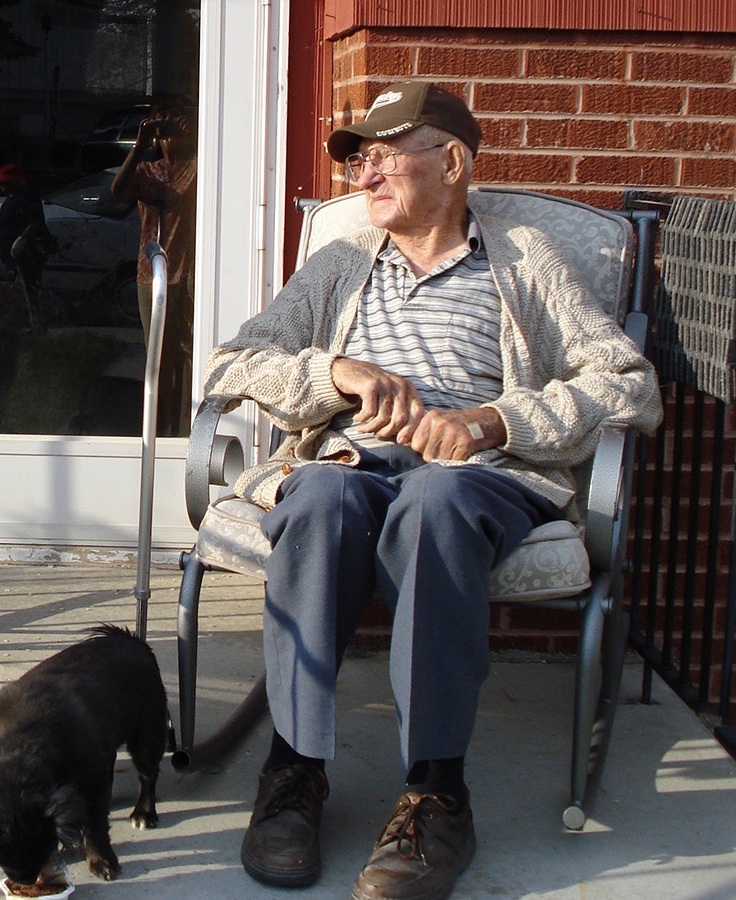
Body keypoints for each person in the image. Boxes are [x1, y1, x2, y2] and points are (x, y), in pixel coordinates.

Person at [204, 83, 659, 898]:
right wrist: (331, 372)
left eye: (385, 157)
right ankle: (294, 771)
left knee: (435, 505)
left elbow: (628, 384)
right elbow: (234, 363)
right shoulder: (341, 261)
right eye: (360, 162)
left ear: (450, 162)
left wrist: (490, 422)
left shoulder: (525, 257)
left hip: (477, 477)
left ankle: (437, 792)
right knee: (316, 500)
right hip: (352, 463)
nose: (366, 177)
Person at [111, 98, 197, 436]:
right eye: (162, 127)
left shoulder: (197, 165)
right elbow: (118, 188)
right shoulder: (148, 170)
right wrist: (140, 145)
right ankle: (159, 429)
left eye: (174, 125)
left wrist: (192, 140)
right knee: (158, 357)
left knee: (189, 351)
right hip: (153, 272)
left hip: (189, 270)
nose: (168, 134)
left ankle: (186, 425)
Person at [0, 162, 51, 330]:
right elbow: (5, 225)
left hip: (27, 253)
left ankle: (36, 325)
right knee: (13, 288)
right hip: (9, 254)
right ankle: (20, 321)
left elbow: (34, 223)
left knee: (30, 288)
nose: (1, 186)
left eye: (4, 182)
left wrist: (20, 241)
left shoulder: (28, 199)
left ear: (14, 182)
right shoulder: (10, 200)